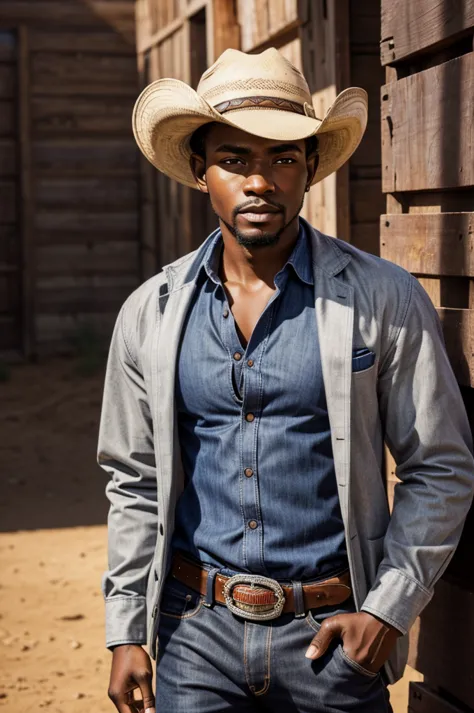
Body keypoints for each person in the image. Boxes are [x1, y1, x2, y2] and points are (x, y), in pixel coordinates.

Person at [98, 48, 474, 713]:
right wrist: (127, 628)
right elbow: (134, 480)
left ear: (310, 169)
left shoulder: (381, 297)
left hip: (333, 641)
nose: (261, 182)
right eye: (235, 159)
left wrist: (388, 608)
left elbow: (439, 466)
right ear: (199, 168)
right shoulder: (150, 313)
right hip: (195, 636)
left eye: (283, 158)